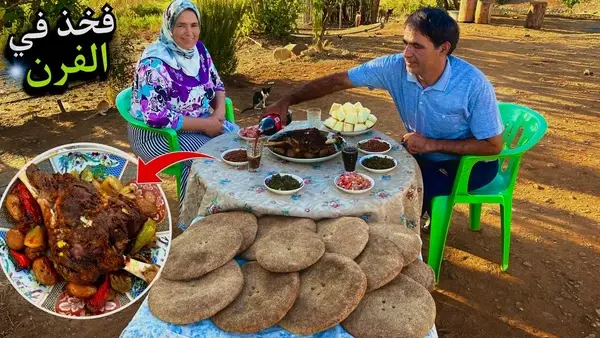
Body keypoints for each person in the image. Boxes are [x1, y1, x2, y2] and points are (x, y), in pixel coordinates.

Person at [263, 7, 503, 229]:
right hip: (419, 153)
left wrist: (432, 144)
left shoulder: (473, 84)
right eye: (405, 43)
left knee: (405, 191)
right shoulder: (395, 67)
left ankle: (409, 241)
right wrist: (286, 101)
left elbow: (492, 146)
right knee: (362, 175)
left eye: (417, 46)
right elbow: (338, 80)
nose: (407, 53)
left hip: (471, 163)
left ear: (443, 49)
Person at [128, 0, 239, 211]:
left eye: (194, 25)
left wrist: (219, 114)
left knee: (243, 145)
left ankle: (226, 208)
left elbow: (217, 84)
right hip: (156, 135)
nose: (189, 32)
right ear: (169, 27)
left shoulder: (199, 50)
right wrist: (206, 125)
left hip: (201, 120)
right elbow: (156, 117)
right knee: (209, 157)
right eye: (181, 25)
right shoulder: (154, 63)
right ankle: (192, 219)